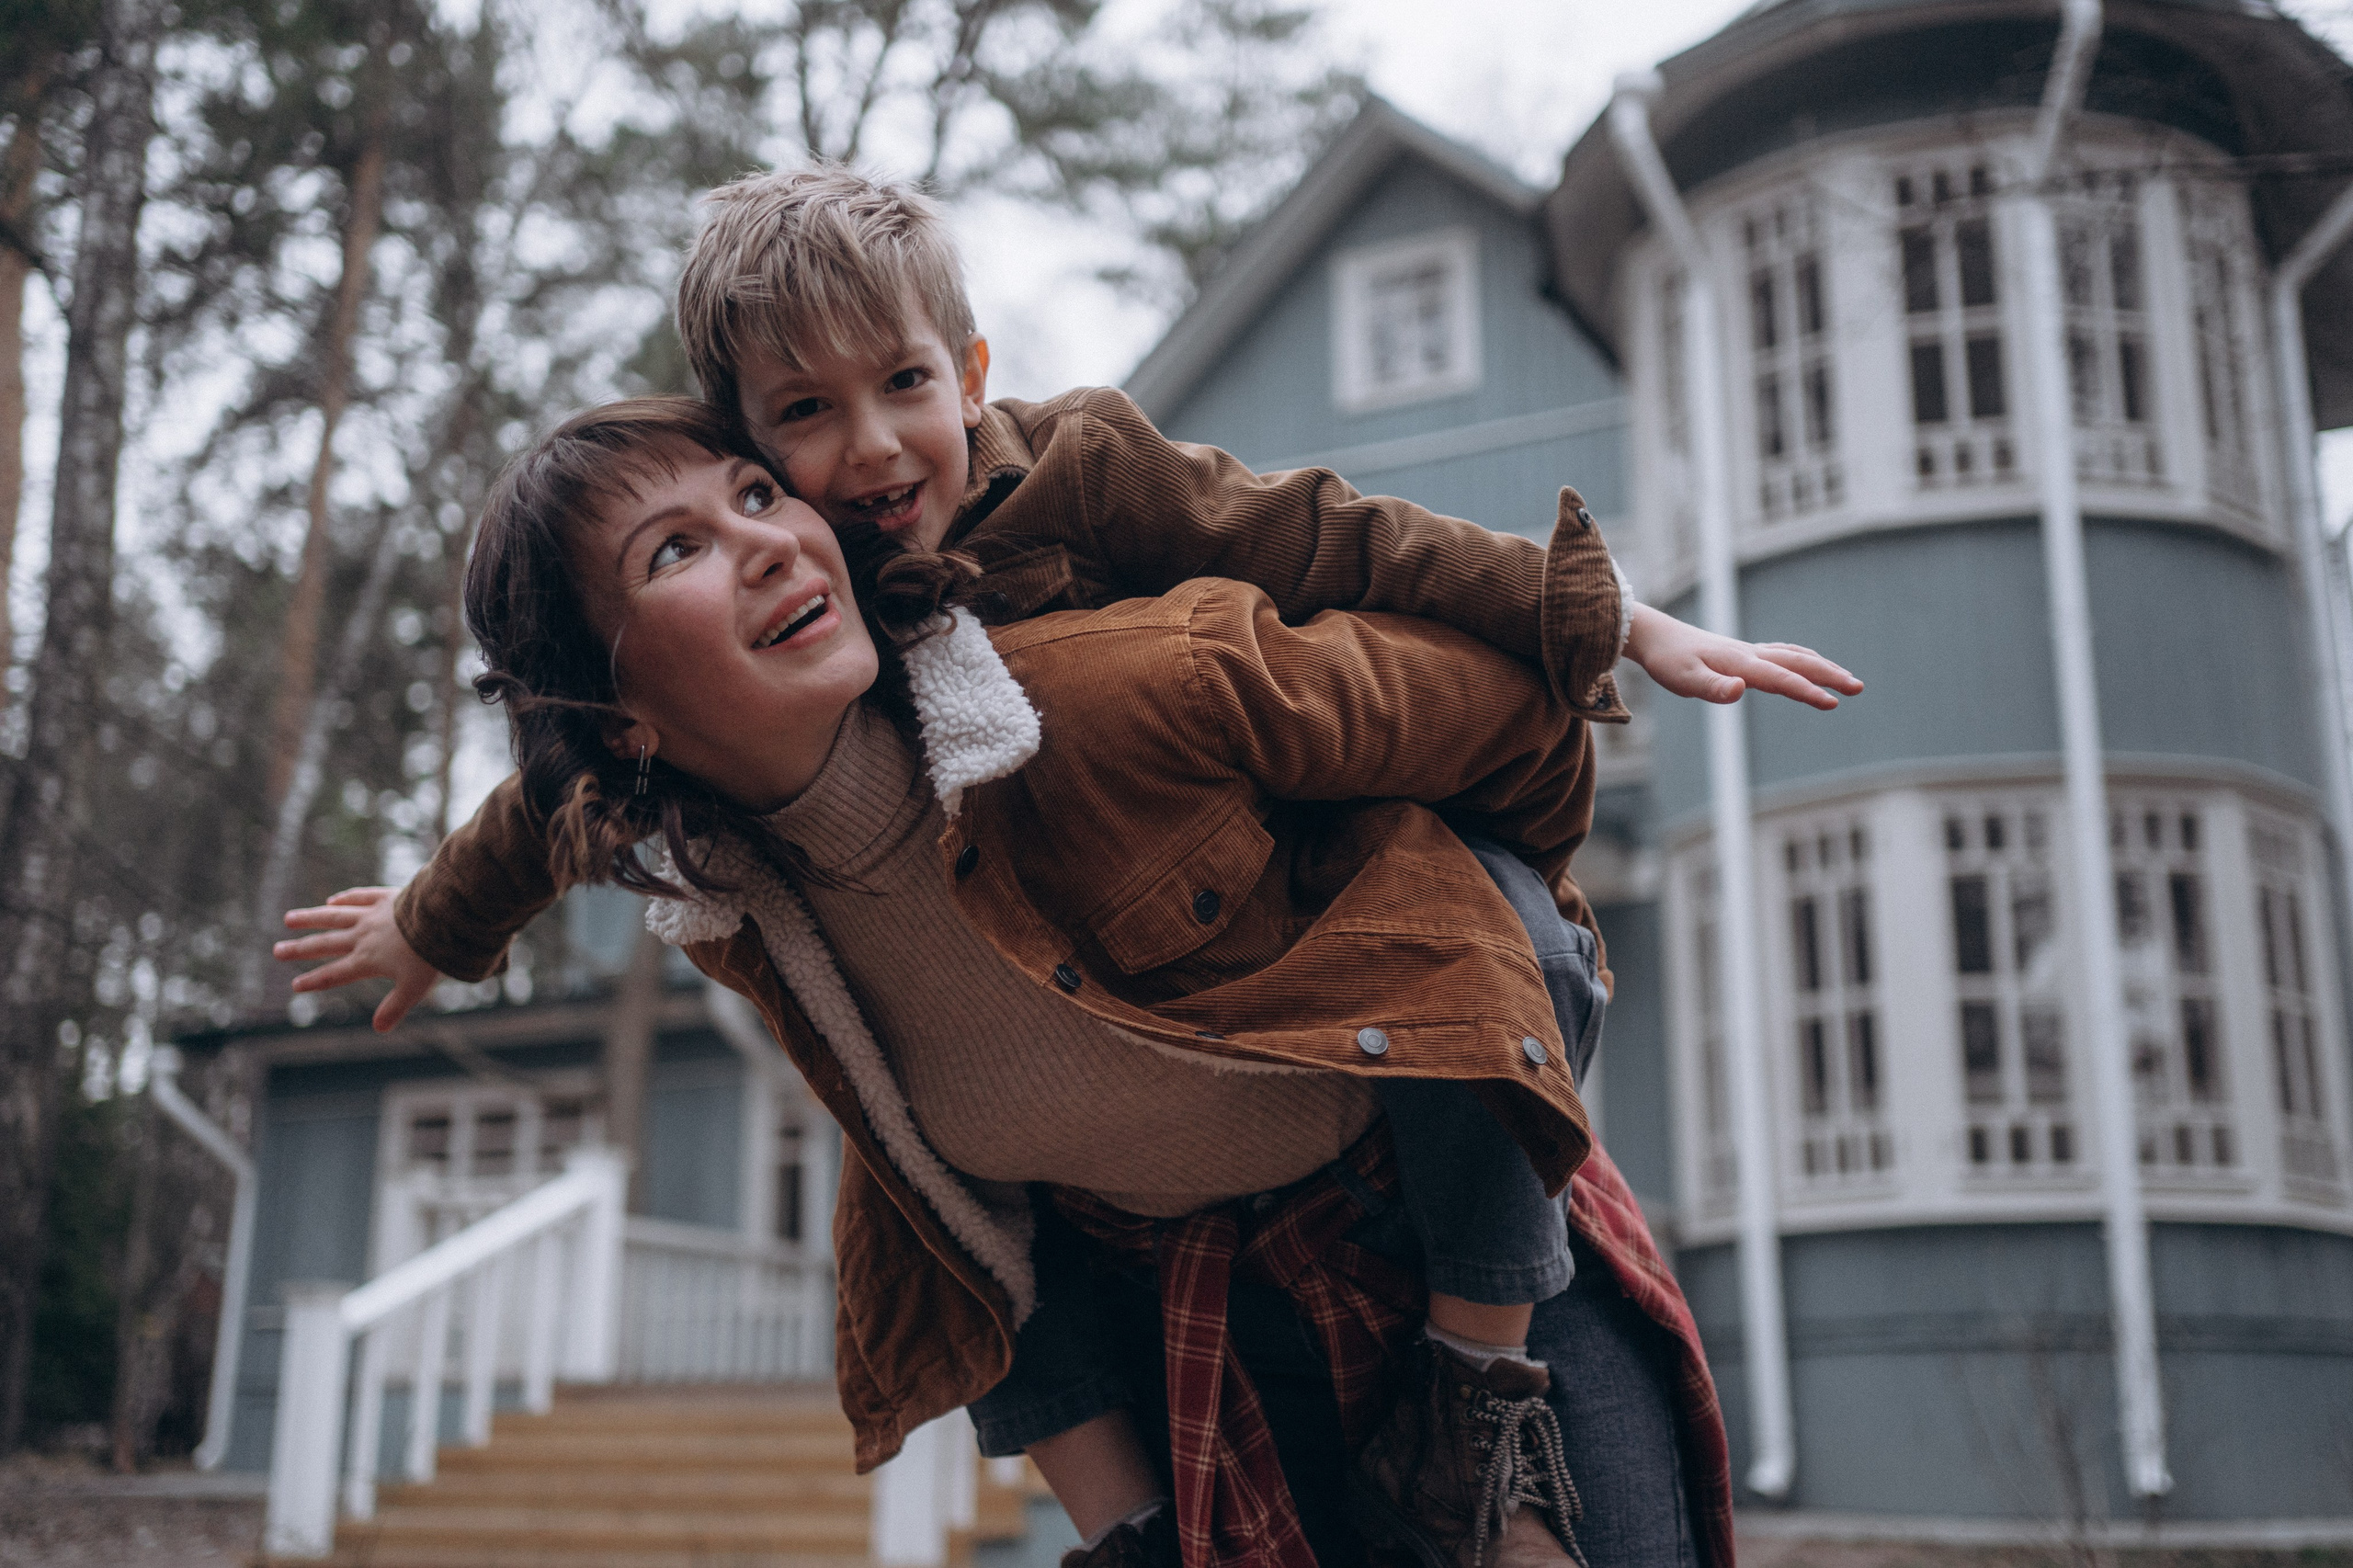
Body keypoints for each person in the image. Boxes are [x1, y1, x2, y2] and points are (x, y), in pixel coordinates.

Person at [292, 164, 1858, 1566]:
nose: (850, 465)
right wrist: (435, 928)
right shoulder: (733, 830)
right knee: (914, 1207)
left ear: (969, 377)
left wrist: (1603, 627)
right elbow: (544, 799)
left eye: (900, 387)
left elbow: (1334, 537)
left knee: (1490, 922)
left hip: (1391, 1049)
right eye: (789, 433)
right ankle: (1122, 1533)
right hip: (1172, 1246)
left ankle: (1482, 1393)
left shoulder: (1094, 543)